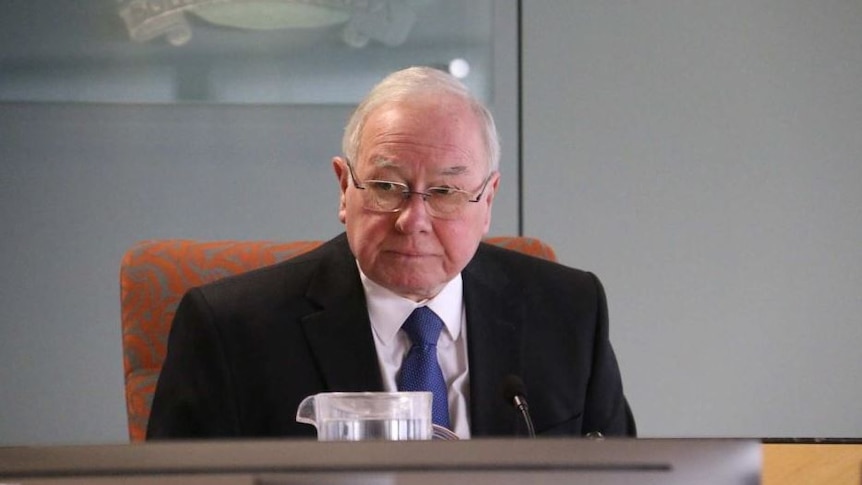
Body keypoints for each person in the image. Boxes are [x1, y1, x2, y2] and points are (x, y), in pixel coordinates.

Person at [147, 66, 635, 439]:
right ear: (344, 187)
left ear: (487, 201)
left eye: (444, 193)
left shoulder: (570, 312)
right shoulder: (232, 331)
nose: (413, 220)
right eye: (387, 186)